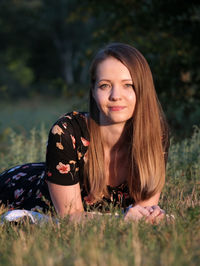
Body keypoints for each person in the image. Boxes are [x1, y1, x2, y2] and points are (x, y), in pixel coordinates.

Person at [0, 43, 169, 223]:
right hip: (20, 192)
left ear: (143, 89)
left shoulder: (155, 134)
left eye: (128, 85)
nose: (115, 95)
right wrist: (121, 219)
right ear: (94, 91)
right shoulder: (67, 132)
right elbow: (70, 218)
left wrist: (148, 216)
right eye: (105, 85)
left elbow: (143, 212)